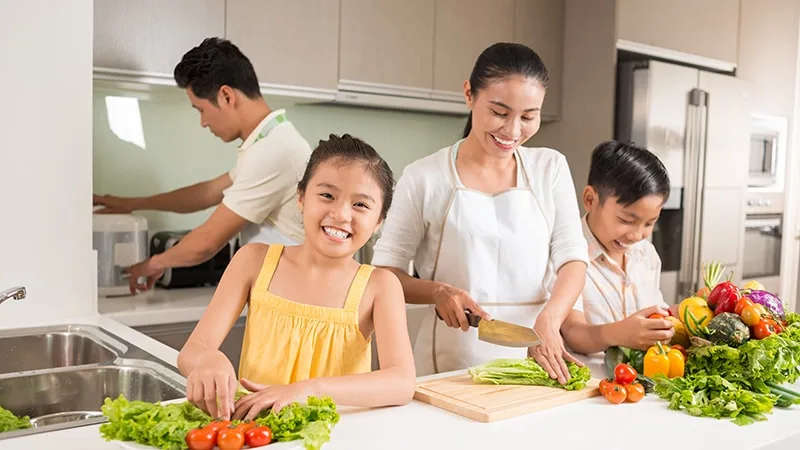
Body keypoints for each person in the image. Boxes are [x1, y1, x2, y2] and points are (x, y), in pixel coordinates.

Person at [370, 42, 589, 384]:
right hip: (450, 365)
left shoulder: (551, 168)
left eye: (529, 117)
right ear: (469, 94)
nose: (513, 131)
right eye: (500, 113)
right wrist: (438, 292)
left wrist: (551, 318)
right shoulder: (424, 177)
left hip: (536, 359)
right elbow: (383, 274)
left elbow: (573, 259)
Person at [177, 134, 416, 421]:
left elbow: (401, 382)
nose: (340, 214)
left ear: (379, 221)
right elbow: (191, 351)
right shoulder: (253, 261)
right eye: (327, 195)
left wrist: (307, 390)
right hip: (259, 435)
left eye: (361, 205)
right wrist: (207, 359)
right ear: (301, 198)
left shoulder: (380, 285)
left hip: (336, 438)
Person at [93, 37, 312, 294]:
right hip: (283, 294)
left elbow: (208, 242)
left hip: (293, 300)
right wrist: (132, 203)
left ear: (226, 96)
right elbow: (207, 193)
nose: (203, 123)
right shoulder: (269, 139)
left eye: (200, 110)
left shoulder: (274, 150)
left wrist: (154, 263)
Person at [560, 141, 678, 354]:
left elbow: (657, 312)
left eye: (649, 223)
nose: (637, 235)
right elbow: (572, 331)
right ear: (590, 199)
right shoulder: (567, 253)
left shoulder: (646, 253)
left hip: (637, 382)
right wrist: (619, 334)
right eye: (626, 220)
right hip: (588, 380)